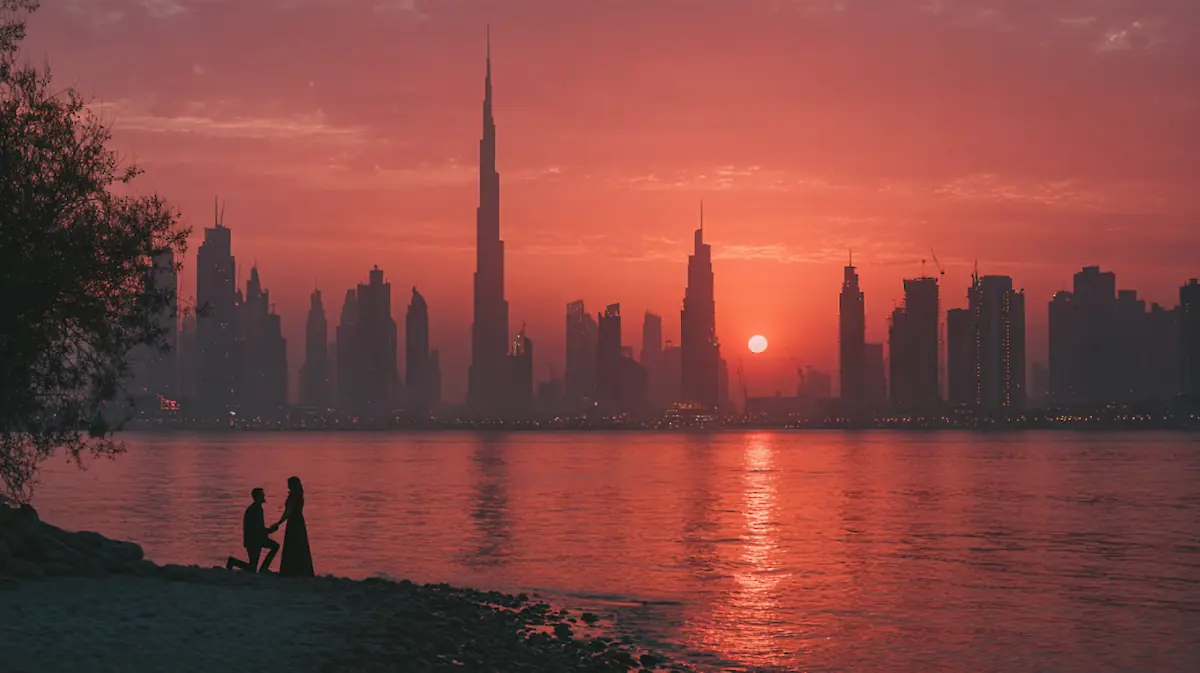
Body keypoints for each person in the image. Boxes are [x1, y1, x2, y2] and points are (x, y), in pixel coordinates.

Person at [225, 488, 279, 573]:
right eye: (262, 495)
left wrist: (269, 531)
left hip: (258, 539)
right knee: (252, 568)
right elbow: (257, 529)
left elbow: (259, 528)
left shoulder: (257, 508)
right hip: (254, 541)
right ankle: (233, 561)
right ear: (258, 497)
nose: (264, 496)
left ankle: (264, 568)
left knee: (275, 546)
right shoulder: (254, 510)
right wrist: (270, 530)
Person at [273, 476, 314, 577]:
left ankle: (290, 570)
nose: (287, 485)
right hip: (299, 521)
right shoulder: (299, 495)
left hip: (293, 523)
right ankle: (302, 570)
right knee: (300, 545)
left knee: (292, 545)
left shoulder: (293, 496)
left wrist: (279, 523)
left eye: (289, 483)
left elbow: (288, 511)